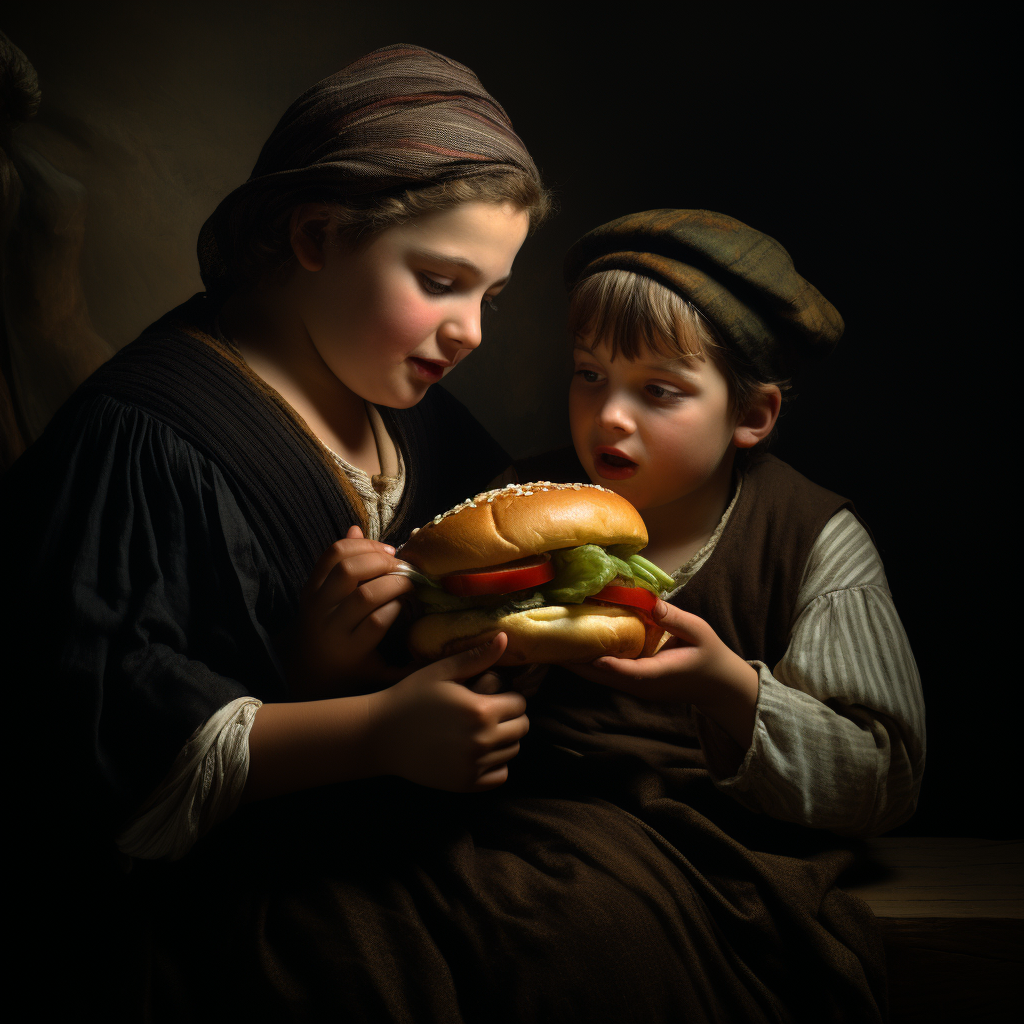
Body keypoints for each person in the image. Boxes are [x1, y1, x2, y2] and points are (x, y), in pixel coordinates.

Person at [3, 43, 549, 1021]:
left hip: (417, 836)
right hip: (222, 903)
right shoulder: (141, 441)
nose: (469, 331)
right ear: (314, 235)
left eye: (489, 296)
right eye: (439, 280)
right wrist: (369, 723)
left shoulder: (409, 396)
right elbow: (100, 755)